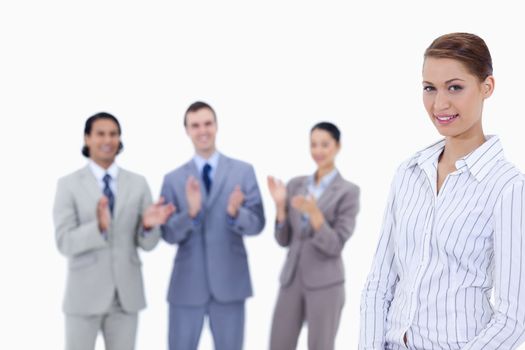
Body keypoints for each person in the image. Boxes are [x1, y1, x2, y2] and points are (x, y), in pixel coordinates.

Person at [360, 32, 525, 349]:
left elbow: (513, 318)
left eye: (455, 87)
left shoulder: (508, 188)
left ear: (486, 87)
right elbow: (379, 284)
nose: (439, 104)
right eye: (429, 88)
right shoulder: (408, 174)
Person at [53, 112, 175, 350]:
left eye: (113, 134)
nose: (107, 140)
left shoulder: (138, 183)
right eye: (100, 134)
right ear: (87, 138)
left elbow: (148, 245)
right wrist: (98, 228)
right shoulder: (68, 185)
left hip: (125, 297)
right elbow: (64, 241)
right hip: (83, 297)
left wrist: (149, 226)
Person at [160, 101, 265, 350]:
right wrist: (192, 213)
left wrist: (234, 212)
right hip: (186, 286)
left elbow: (258, 224)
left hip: (230, 283)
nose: (202, 130)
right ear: (186, 130)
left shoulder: (243, 172)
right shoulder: (173, 179)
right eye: (195, 125)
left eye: (207, 123)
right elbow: (168, 234)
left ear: (216, 126)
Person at [267, 122, 360, 350]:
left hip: (326, 282)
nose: (318, 150)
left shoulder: (348, 191)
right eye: (313, 145)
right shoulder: (295, 185)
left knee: (321, 346)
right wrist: (280, 206)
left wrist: (315, 214)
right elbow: (283, 240)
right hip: (291, 279)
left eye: (324, 144)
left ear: (337, 146)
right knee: (278, 343)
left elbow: (335, 245)